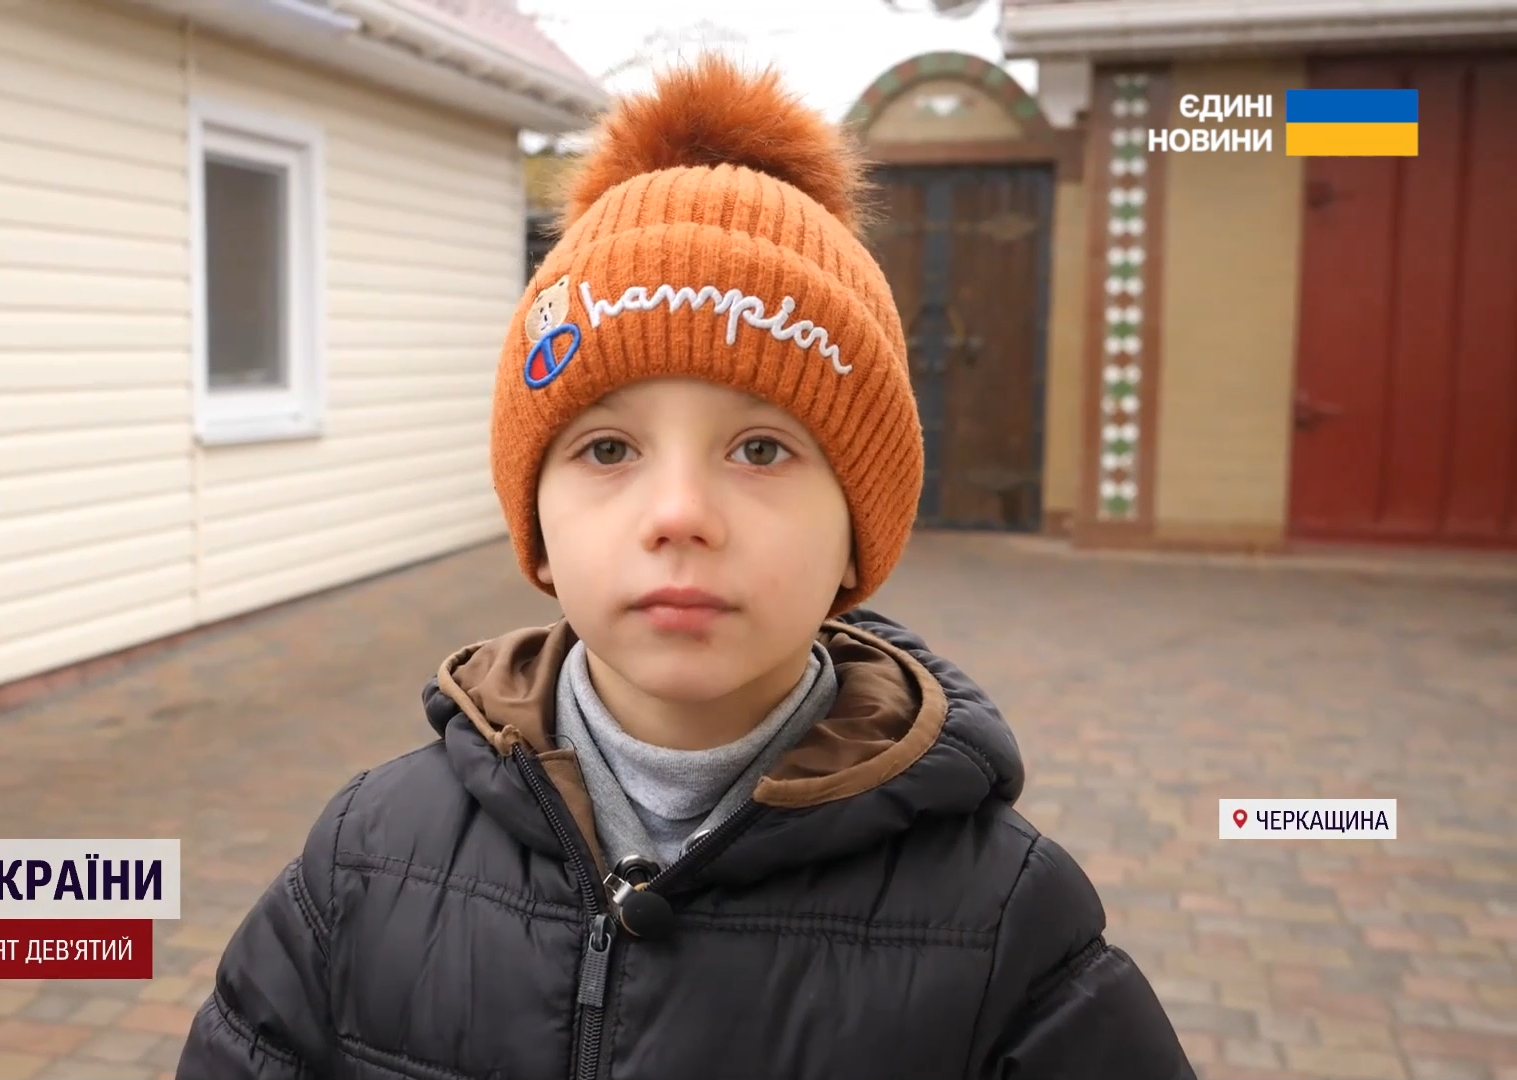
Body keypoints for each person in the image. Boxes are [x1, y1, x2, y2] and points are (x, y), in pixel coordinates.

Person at [178, 53, 1195, 1080]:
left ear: (859, 528)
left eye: (760, 449)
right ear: (537, 521)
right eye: (607, 449)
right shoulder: (361, 864)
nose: (678, 515)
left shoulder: (1009, 934)